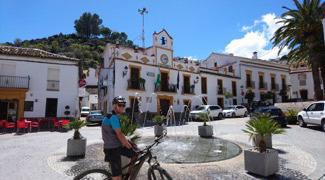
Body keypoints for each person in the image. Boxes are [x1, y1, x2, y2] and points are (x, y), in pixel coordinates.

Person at [102, 96, 138, 180]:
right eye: (120, 105)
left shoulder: (111, 116)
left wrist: (128, 143)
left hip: (115, 146)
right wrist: (127, 144)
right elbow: (119, 134)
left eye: (123, 105)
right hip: (112, 149)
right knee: (117, 177)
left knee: (135, 154)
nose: (122, 107)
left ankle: (127, 175)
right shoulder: (113, 118)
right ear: (114, 106)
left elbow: (117, 134)